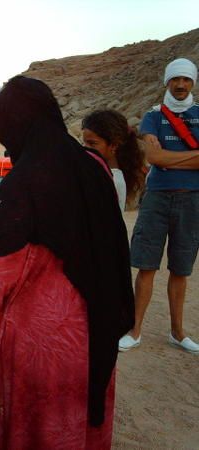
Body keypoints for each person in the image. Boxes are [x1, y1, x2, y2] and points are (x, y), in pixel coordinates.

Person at [0, 76, 134, 449]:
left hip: (43, 350)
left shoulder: (20, 188)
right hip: (97, 329)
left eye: (4, 131)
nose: (4, 142)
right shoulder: (94, 167)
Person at [119, 57, 199, 353]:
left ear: (193, 83)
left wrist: (169, 158)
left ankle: (178, 333)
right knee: (147, 265)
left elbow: (164, 158)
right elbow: (154, 158)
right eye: (175, 80)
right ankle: (135, 329)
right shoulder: (153, 116)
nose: (180, 85)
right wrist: (190, 158)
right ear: (167, 82)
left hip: (192, 200)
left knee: (181, 268)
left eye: (186, 80)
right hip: (157, 198)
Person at [81, 109, 145, 212]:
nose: (85, 149)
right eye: (84, 143)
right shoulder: (99, 174)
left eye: (92, 144)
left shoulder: (111, 180)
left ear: (113, 145)